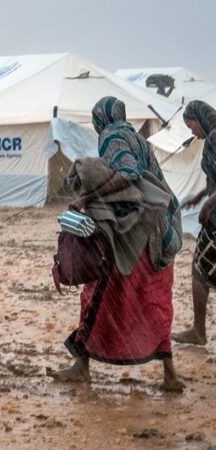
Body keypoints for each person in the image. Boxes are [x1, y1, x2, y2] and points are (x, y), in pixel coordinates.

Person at [51, 96, 184, 391]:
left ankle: (81, 366)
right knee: (153, 300)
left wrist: (85, 198)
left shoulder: (113, 136)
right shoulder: (137, 137)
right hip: (160, 232)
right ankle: (170, 375)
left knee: (96, 294)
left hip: (134, 235)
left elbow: (127, 173)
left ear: (100, 119)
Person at [172, 100, 216, 345]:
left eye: (192, 127)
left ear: (199, 119)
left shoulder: (214, 139)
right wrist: (200, 196)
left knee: (199, 269)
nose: (193, 133)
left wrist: (208, 206)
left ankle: (199, 330)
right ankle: (198, 330)